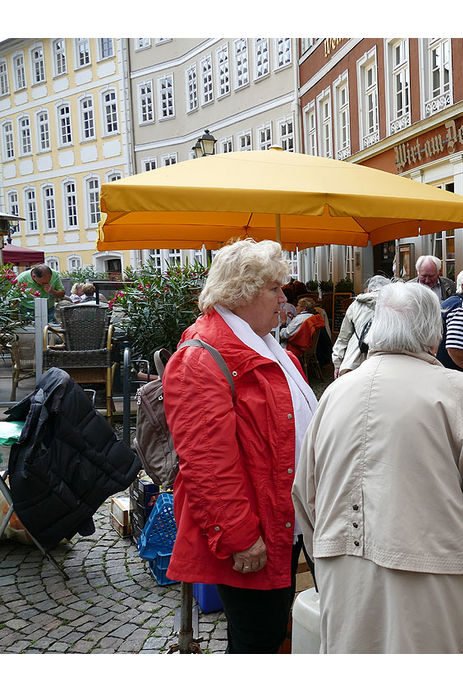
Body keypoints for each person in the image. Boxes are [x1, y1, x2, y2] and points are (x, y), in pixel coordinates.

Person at [291, 282, 463, 653]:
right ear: (433, 336)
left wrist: (330, 559)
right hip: (436, 584)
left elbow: (305, 495)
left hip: (345, 582)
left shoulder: (335, 393)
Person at [162, 239, 319, 654]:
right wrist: (239, 537)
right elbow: (208, 464)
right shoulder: (202, 357)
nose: (283, 298)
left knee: (271, 630)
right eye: (274, 289)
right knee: (256, 640)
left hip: (282, 519)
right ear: (243, 291)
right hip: (253, 530)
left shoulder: (265, 343)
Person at [331, 274, 391, 378]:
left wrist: (337, 363)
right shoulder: (394, 303)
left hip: (355, 360)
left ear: (369, 290)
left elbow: (343, 337)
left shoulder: (355, 304)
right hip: (385, 359)